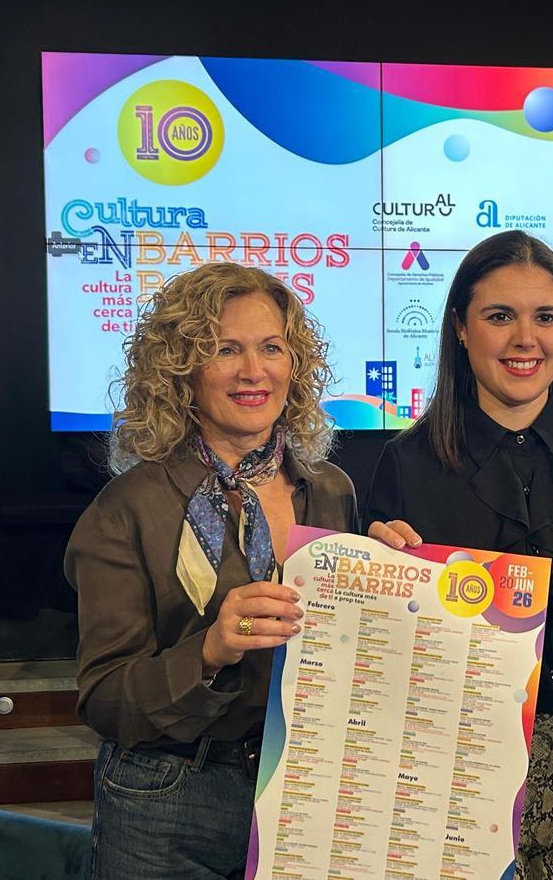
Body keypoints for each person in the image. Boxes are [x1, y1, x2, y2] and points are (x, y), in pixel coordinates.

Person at [366, 230, 553, 878]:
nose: (525, 338)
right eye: (500, 316)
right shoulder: (406, 466)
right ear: (461, 330)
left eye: (545, 317)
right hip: (449, 760)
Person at [66, 263, 358, 878]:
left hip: (305, 788)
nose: (255, 372)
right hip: (167, 802)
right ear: (181, 370)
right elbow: (105, 700)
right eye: (226, 349)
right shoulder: (126, 510)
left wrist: (393, 572)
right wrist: (209, 652)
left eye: (272, 348)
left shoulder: (331, 492)